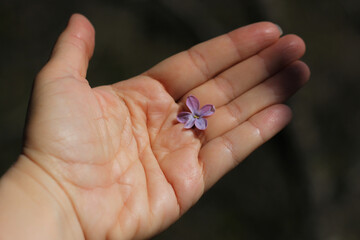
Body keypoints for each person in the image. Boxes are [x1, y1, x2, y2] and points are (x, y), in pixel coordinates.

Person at [0, 14, 309, 239]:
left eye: (197, 118)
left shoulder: (196, 118)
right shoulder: (188, 117)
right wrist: (49, 183)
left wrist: (46, 187)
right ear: (192, 115)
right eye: (195, 117)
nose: (196, 119)